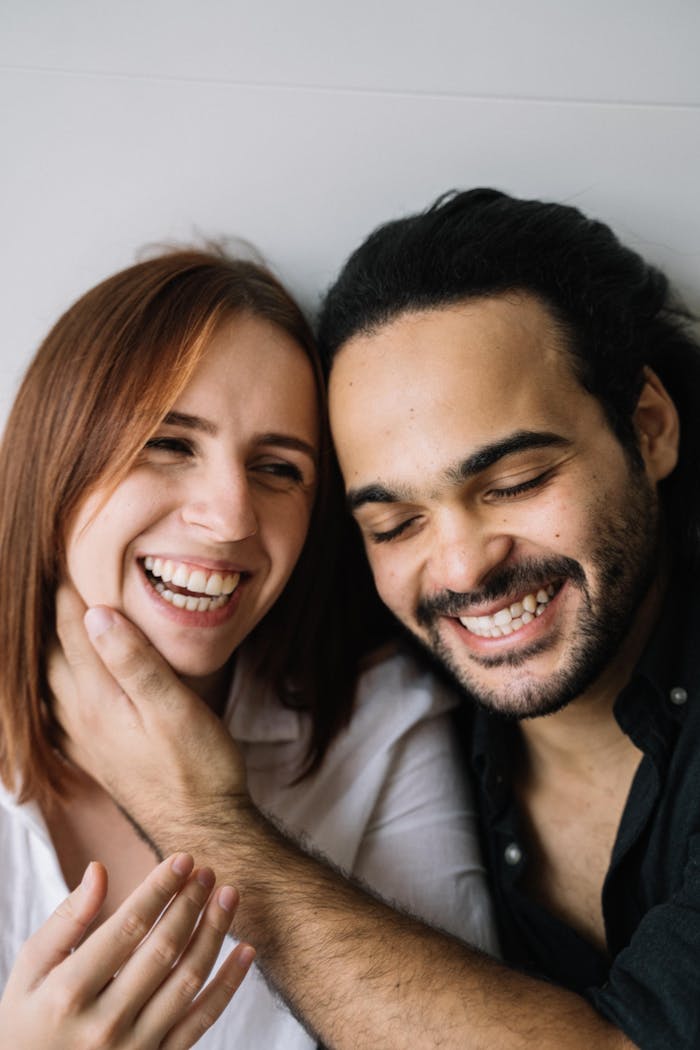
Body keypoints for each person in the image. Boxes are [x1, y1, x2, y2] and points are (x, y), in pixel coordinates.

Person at [51, 188, 700, 1049]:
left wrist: (199, 820)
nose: (466, 567)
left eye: (514, 484)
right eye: (395, 524)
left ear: (649, 428)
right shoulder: (395, 676)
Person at [0, 247, 497, 1048]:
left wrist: (203, 818)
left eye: (277, 467)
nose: (231, 517)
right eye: (170, 443)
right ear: (55, 457)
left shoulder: (380, 726)